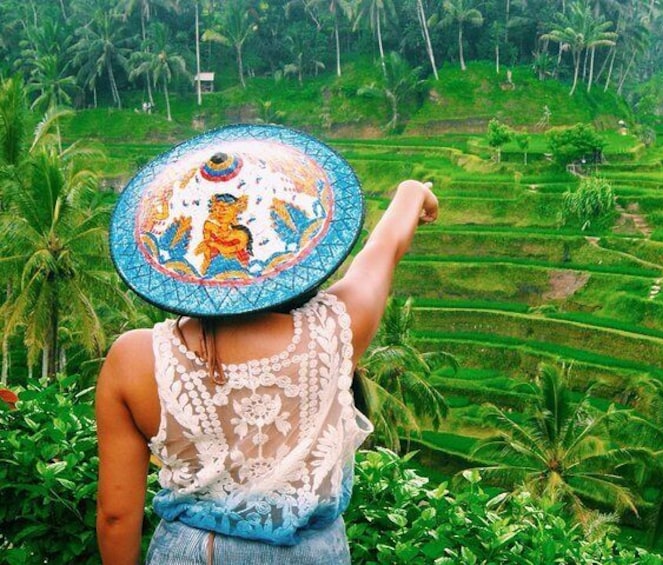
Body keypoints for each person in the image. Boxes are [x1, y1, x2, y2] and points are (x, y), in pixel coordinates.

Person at [96, 125, 438, 564]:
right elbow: (383, 250)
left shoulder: (134, 359)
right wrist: (412, 194)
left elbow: (115, 517)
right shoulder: (334, 328)